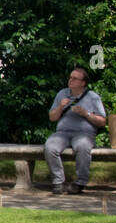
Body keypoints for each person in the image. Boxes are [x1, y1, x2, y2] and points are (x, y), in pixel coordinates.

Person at [44, 66, 106, 194]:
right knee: (50, 146)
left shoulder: (92, 97)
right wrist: (60, 107)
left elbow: (102, 122)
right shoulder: (62, 94)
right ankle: (58, 182)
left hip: (85, 134)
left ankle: (80, 183)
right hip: (63, 133)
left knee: (82, 147)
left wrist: (86, 114)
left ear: (83, 83)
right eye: (70, 77)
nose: (70, 80)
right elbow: (52, 117)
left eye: (75, 78)